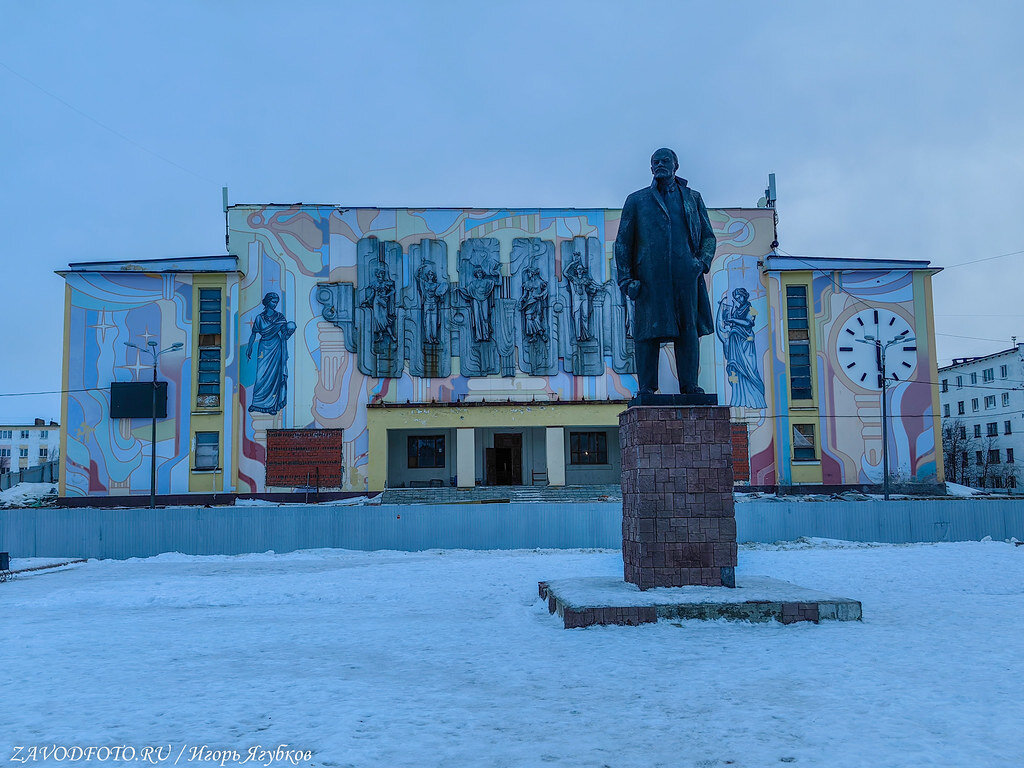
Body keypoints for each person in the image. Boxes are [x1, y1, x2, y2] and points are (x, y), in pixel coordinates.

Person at [614, 148, 717, 394]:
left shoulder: (692, 198)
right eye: (655, 162)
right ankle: (647, 388)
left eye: (665, 160)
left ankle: (690, 385)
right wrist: (626, 279)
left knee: (688, 331)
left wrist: (700, 263)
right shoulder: (636, 200)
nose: (660, 164)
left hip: (685, 276)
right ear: (651, 169)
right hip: (650, 278)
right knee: (647, 333)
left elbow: (708, 237)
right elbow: (622, 242)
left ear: (676, 166)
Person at [246, 292, 296, 414]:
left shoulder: (280, 317)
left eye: (276, 302)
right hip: (264, 347)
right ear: (268, 302)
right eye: (273, 301)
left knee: (275, 375)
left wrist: (290, 330)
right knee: (261, 375)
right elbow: (254, 333)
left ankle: (272, 405)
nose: (275, 304)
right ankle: (257, 403)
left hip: (276, 346)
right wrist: (249, 347)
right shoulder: (259, 318)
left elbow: (284, 334)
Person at [716, 287, 767, 408]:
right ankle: (739, 398)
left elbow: (749, 323)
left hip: (745, 342)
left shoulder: (751, 309)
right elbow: (730, 322)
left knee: (749, 368)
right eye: (736, 297)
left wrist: (733, 319)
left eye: (739, 296)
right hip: (735, 341)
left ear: (745, 295)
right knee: (736, 369)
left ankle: (754, 398)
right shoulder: (737, 309)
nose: (738, 299)